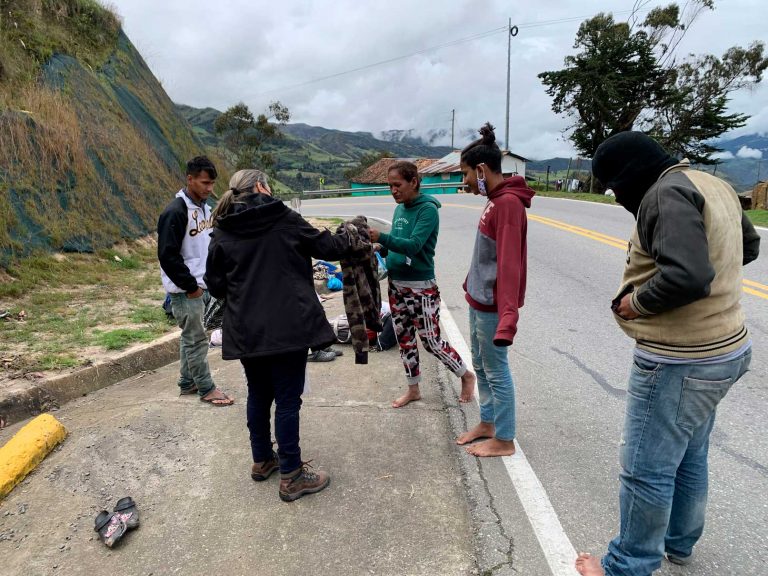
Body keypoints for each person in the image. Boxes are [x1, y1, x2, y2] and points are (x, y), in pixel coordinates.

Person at [575, 132, 760, 576]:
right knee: (691, 451)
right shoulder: (708, 183)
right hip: (727, 349)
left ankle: (627, 565)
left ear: (630, 174)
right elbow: (748, 246)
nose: (617, 197)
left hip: (680, 360)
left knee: (646, 467)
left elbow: (688, 277)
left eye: (615, 186)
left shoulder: (663, 194)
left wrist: (634, 303)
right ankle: (678, 542)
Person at [205, 169, 351, 502]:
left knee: (258, 393)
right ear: (261, 187)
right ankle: (292, 475)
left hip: (246, 329)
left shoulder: (223, 227)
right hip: (287, 326)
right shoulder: (283, 216)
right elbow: (328, 248)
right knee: (287, 400)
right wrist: (350, 233)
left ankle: (262, 461)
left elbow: (214, 284)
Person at [369, 160, 476, 408]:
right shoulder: (399, 209)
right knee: (405, 339)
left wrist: (382, 236)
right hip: (396, 285)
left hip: (421, 288)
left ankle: (465, 375)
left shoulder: (427, 210)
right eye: (390, 186)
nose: (393, 190)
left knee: (431, 341)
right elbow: (396, 243)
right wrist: (380, 247)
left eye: (398, 185)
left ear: (414, 182)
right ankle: (413, 389)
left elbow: (414, 245)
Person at [455, 123, 534, 458]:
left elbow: (509, 267)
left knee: (496, 369)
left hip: (491, 307)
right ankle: (487, 422)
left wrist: (507, 319)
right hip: (479, 299)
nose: (466, 181)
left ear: (483, 169)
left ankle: (505, 438)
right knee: (481, 364)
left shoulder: (508, 206)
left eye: (467, 174)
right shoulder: (494, 200)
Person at [157, 156, 233, 406]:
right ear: (189, 179)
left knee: (190, 337)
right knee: (197, 340)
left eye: (212, 183)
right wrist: (190, 287)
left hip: (201, 286)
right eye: (204, 183)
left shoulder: (203, 208)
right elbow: (167, 256)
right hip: (185, 291)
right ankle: (206, 388)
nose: (209, 189)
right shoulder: (175, 212)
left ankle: (187, 382)